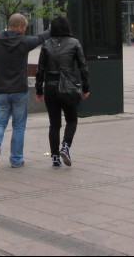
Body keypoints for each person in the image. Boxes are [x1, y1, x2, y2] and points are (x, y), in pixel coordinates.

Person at [0, 13, 50, 170]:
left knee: (0, 123)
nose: (25, 30)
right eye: (25, 27)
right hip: (19, 90)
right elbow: (39, 38)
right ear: (20, 27)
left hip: (1, 90)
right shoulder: (24, 41)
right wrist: (53, 29)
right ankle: (16, 160)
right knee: (19, 126)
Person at [35, 15, 90, 167]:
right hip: (68, 87)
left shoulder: (46, 45)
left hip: (51, 87)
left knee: (54, 123)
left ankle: (54, 157)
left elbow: (40, 70)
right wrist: (85, 88)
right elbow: (83, 67)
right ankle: (65, 146)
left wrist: (39, 90)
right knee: (72, 119)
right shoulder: (74, 43)